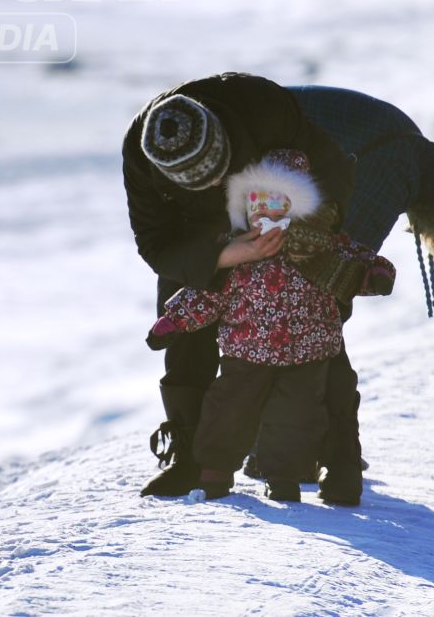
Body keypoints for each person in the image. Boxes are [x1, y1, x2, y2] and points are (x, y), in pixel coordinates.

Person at [124, 74, 434, 505]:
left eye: (213, 177)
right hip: (210, 223)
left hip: (281, 197)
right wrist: (223, 256)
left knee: (316, 306)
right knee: (190, 301)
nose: (208, 187)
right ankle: (189, 455)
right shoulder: (143, 152)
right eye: (195, 184)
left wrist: (315, 235)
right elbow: (157, 243)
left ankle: (326, 452)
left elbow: (334, 171)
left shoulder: (268, 112)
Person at [146, 148, 395, 501]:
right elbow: (207, 293)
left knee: (293, 420)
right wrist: (172, 321)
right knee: (227, 410)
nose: (264, 213)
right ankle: (213, 473)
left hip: (307, 356)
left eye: (276, 203)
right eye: (256, 204)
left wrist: (377, 275)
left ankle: (283, 480)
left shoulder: (322, 247)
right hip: (244, 353)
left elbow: (359, 262)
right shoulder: (235, 251)